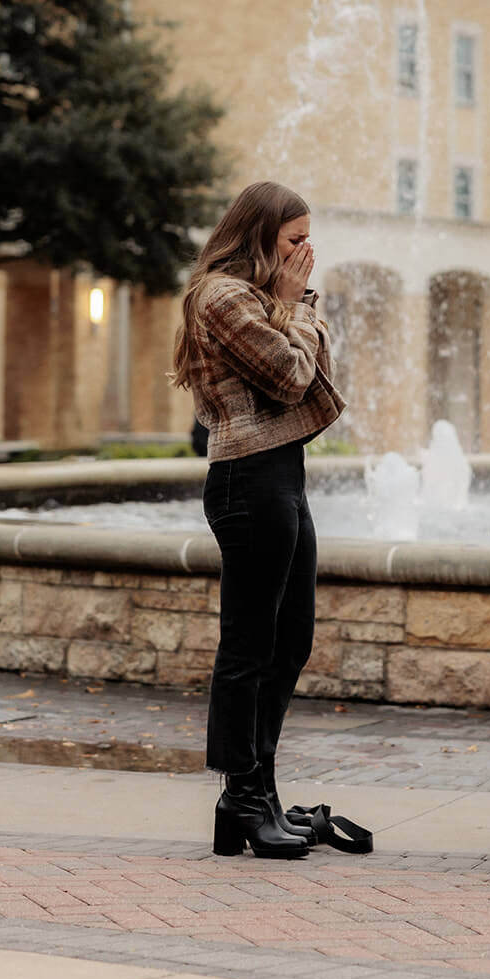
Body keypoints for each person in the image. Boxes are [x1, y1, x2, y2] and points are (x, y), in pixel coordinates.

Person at [171, 180, 345, 859]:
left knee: (289, 640)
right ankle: (241, 797)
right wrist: (301, 308)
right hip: (248, 478)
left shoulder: (265, 298)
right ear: (259, 236)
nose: (307, 252)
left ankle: (258, 794)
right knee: (247, 648)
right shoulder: (222, 297)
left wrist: (295, 308)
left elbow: (306, 370)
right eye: (294, 240)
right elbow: (291, 377)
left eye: (308, 238)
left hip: (282, 474)